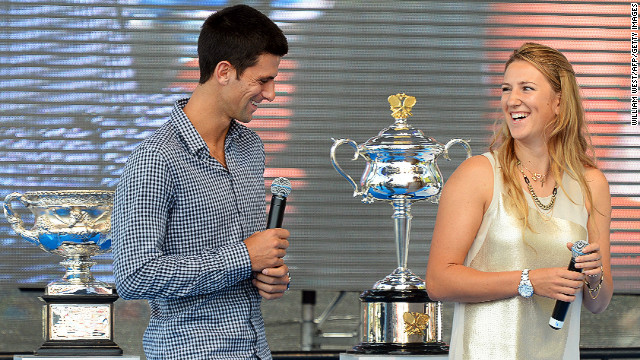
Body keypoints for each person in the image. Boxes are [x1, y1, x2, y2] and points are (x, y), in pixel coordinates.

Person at [111, 5, 291, 359]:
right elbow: (133, 275)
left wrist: (273, 276)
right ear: (224, 71)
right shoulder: (155, 158)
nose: (270, 94)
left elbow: (250, 257)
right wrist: (244, 257)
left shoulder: (250, 147)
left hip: (255, 350)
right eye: (262, 80)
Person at [425, 42, 612, 360]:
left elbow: (598, 303)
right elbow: (439, 281)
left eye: (526, 88)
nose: (512, 100)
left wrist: (595, 277)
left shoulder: (591, 183)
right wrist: (529, 280)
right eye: (506, 89)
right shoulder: (479, 174)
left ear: (558, 102)